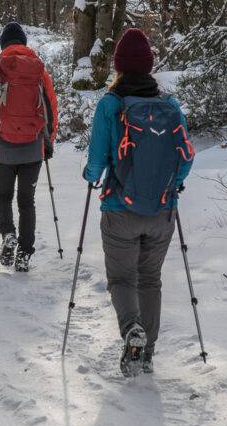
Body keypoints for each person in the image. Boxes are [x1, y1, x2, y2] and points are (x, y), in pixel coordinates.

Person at [82, 28, 194, 376]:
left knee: (122, 279)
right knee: (150, 280)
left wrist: (90, 176)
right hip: (162, 211)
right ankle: (147, 354)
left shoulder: (110, 105)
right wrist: (171, 187)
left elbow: (98, 160)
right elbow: (186, 157)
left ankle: (133, 330)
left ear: (117, 66)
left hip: (120, 210)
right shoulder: (169, 105)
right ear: (149, 66)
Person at [0, 22, 59, 272]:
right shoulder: (41, 74)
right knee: (26, 202)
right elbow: (52, 110)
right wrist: (48, 142)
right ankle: (24, 254)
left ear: (3, 45)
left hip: (3, 148)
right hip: (33, 148)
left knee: (2, 197)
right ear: (24, 44)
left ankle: (8, 233)